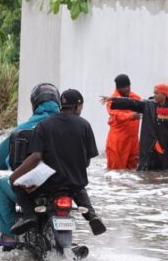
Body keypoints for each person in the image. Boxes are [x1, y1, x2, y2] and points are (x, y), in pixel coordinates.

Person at [9, 89, 107, 236]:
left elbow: (36, 157)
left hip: (47, 184)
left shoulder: (44, 125)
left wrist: (15, 176)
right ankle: (91, 215)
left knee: (17, 184)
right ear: (76, 107)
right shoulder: (84, 125)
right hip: (72, 183)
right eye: (81, 107)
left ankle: (30, 215)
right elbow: (86, 162)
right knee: (79, 188)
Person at [0, 83, 60, 248]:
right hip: (62, 186)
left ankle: (8, 236)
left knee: (3, 185)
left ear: (35, 104)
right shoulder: (67, 128)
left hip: (30, 187)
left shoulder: (22, 129)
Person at [103, 83, 168, 171]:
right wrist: (114, 100)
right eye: (154, 93)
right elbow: (132, 103)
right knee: (146, 178)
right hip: (148, 152)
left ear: (164, 95)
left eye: (156, 93)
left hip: (167, 152)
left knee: (166, 177)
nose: (154, 95)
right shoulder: (148, 105)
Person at [105, 74, 141, 170]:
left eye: (128, 86)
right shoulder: (112, 101)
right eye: (124, 87)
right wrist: (131, 116)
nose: (127, 89)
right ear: (118, 88)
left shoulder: (136, 98)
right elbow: (116, 115)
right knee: (115, 173)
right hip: (118, 141)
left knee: (132, 173)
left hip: (133, 142)